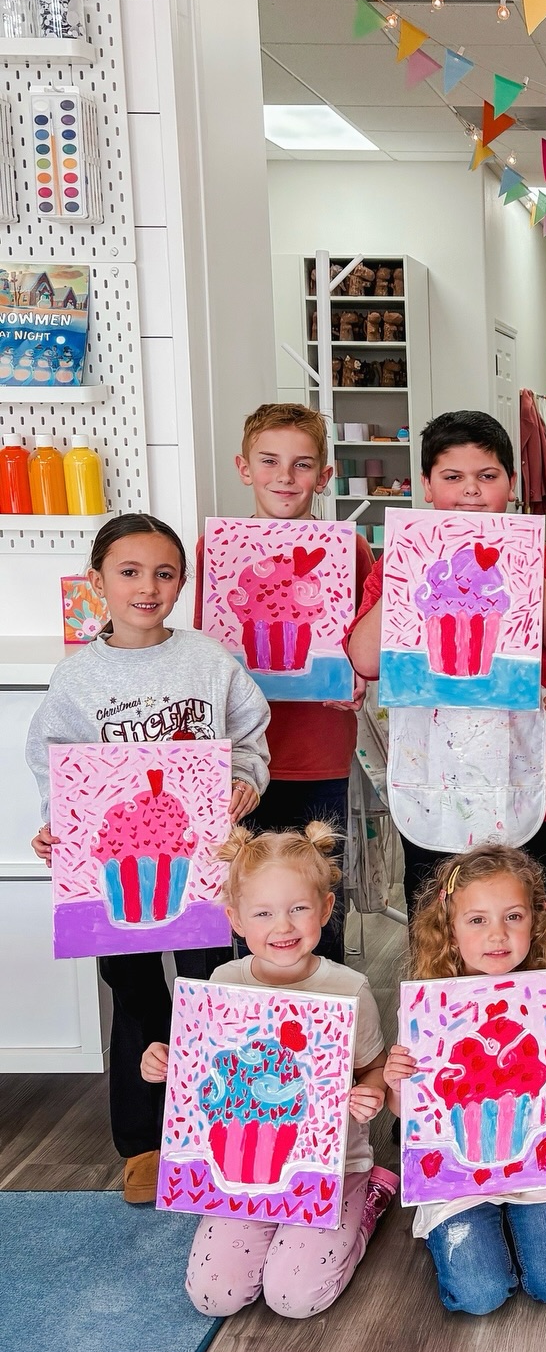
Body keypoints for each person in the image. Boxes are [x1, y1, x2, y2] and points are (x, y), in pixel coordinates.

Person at [26, 514, 271, 1205]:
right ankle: (143, 1143)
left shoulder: (209, 661)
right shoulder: (77, 679)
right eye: (129, 572)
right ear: (97, 580)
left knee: (213, 988)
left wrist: (246, 780)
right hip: (117, 871)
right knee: (135, 994)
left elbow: (250, 734)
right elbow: (57, 767)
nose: (148, 587)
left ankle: (213, 1125)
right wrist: (57, 828)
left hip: (205, 867)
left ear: (183, 583)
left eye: (165, 573)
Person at [140, 824, 396, 1316]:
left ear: (324, 908)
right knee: (214, 1296)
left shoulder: (349, 988)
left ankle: (366, 1205)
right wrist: (165, 1062)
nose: (283, 927)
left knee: (295, 1298)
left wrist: (370, 1090)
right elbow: (201, 1074)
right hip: (243, 1169)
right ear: (235, 919)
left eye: (298, 909)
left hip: (331, 1168)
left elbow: (375, 1068)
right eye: (263, 913)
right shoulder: (221, 982)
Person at [344, 411, 546, 911]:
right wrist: (412, 569)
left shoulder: (544, 559)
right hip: (430, 766)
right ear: (427, 486)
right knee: (434, 915)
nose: (470, 491)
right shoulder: (397, 562)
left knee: (524, 914)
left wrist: (523, 566)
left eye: (487, 476)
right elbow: (366, 659)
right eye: (452, 477)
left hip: (523, 765)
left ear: (511, 485)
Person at [194, 401, 373, 961]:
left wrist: (364, 678)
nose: (284, 477)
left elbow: (368, 646)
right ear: (244, 468)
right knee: (241, 901)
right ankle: (238, 1027)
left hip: (318, 753)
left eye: (302, 465)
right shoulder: (214, 552)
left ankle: (331, 1039)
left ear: (324, 476)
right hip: (236, 761)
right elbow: (203, 647)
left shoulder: (352, 551)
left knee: (316, 899)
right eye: (269, 461)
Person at [382, 845, 546, 1315]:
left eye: (513, 917)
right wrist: (397, 1082)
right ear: (449, 930)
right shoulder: (427, 1008)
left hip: (534, 1168)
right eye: (477, 920)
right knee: (479, 1294)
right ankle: (482, 1228)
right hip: (455, 1178)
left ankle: (516, 1223)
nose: (497, 935)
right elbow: (403, 1112)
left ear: (535, 921)